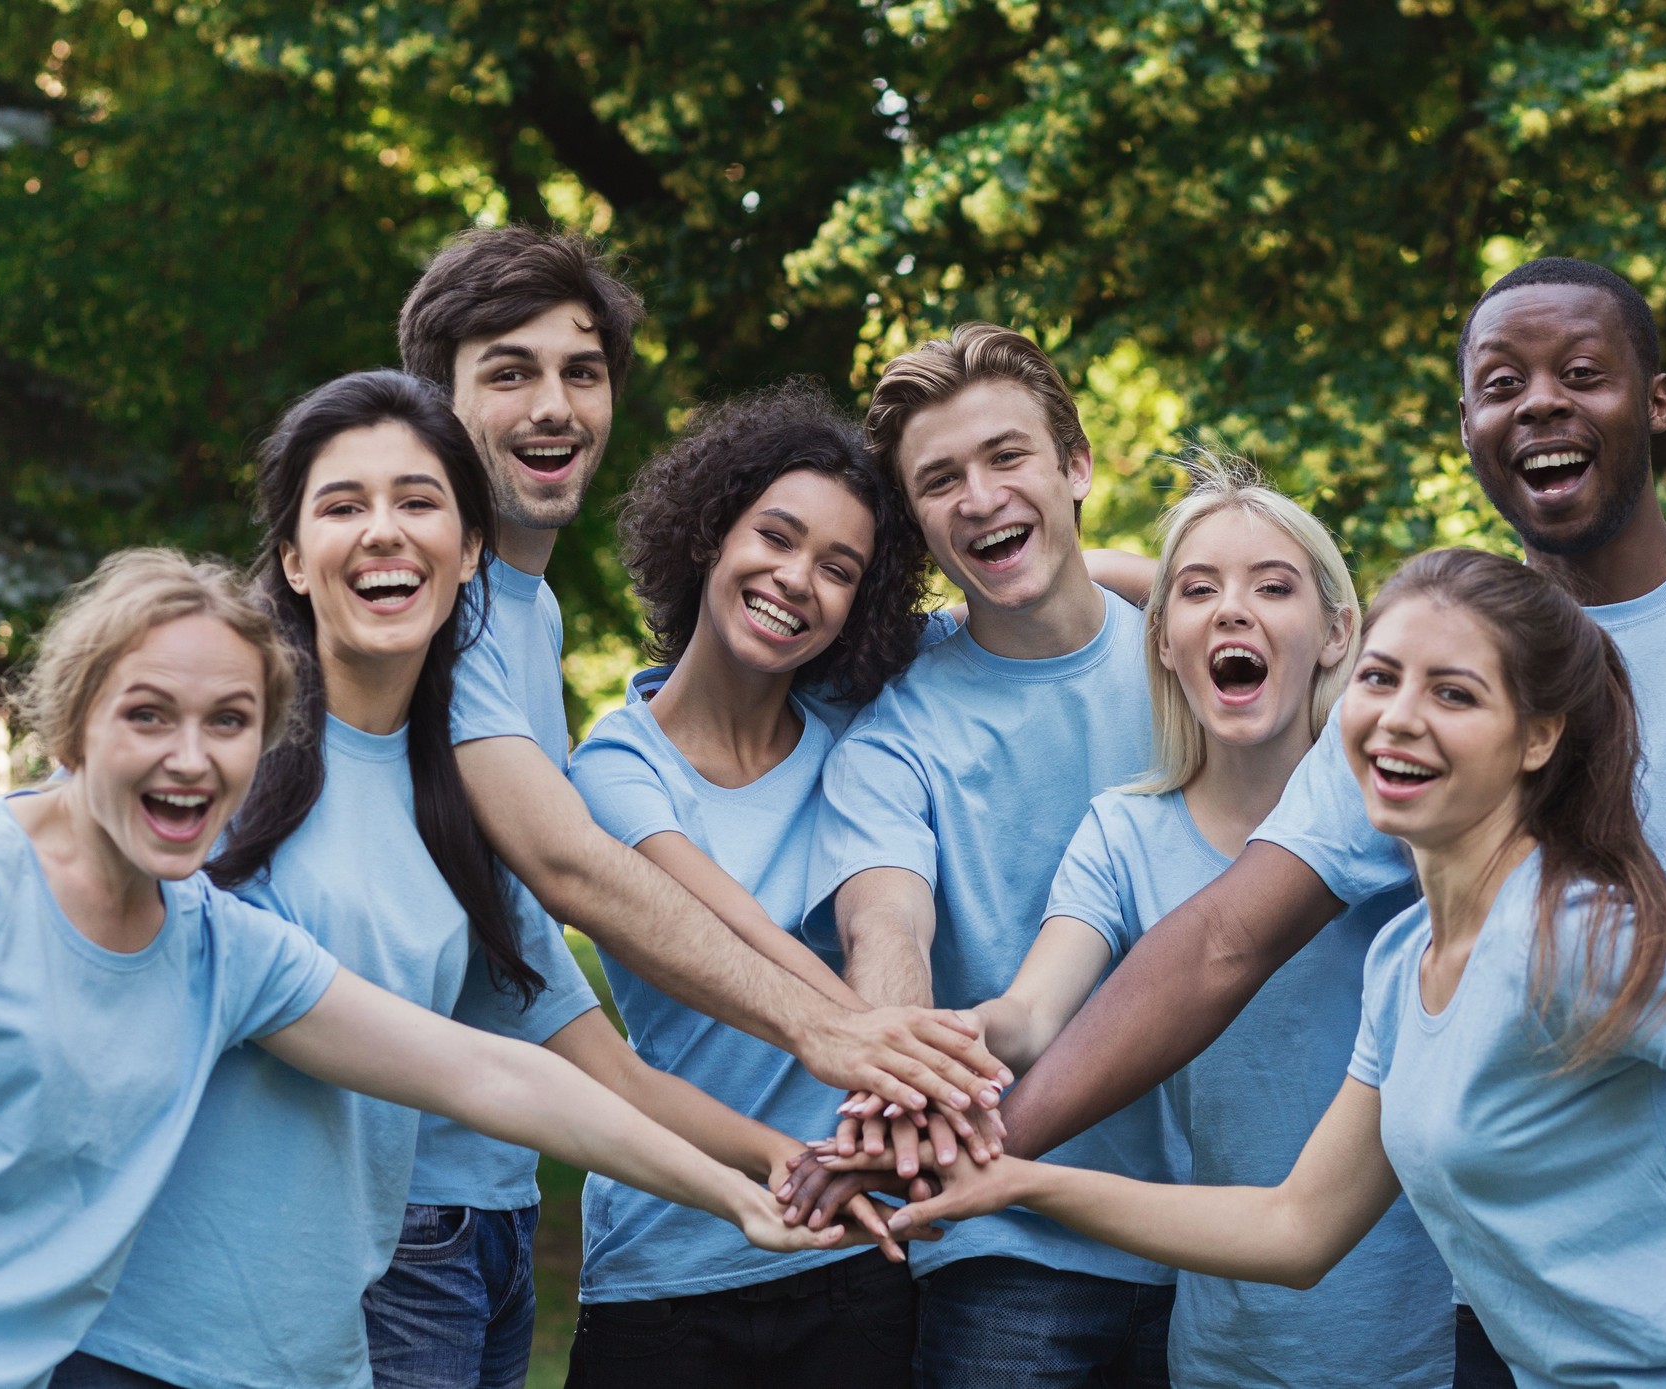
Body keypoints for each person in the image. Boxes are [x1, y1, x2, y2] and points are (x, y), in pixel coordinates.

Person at [990, 258, 1666, 1385]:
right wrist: (995, 1158)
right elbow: (1224, 959)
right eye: (1500, 382)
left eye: (1583, 373)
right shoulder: (1407, 926)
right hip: (1523, 1303)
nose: (1539, 403)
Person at [851, 547, 1666, 1388]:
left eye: (1454, 693)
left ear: (1537, 738)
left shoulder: (1574, 941)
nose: (1400, 718)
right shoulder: (1408, 961)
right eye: (1382, 678)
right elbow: (1295, 1230)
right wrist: (1016, 1181)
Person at [59, 372, 851, 1389]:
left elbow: (585, 1073)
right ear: (295, 560)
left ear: (472, 550)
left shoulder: (470, 802)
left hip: (319, 1353)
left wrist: (776, 1167)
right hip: (141, 1346)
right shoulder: (217, 756)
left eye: (419, 502)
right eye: (344, 507)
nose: (383, 532)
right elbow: (48, 853)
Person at [375, 226, 987, 1380]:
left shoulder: (527, 609)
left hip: (497, 1199)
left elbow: (552, 1003)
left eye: (583, 372)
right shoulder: (438, 609)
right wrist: (847, 1036)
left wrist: (1184, 568)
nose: (554, 406)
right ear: (432, 402)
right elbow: (573, 872)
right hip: (411, 1215)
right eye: (509, 372)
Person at [963, 457, 1450, 1387]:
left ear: (1339, 632)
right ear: (1159, 640)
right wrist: (949, 1043)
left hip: (1422, 1342)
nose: (1234, 610)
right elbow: (1029, 1017)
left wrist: (1128, 569)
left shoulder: (1399, 806)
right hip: (1225, 1349)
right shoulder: (1122, 831)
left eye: (1275, 587)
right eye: (1199, 593)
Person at [804, 323, 1183, 1388]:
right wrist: (906, 1058)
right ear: (916, 524)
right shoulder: (897, 731)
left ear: (1075, 466)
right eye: (939, 480)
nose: (978, 497)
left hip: (1216, 1223)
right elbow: (886, 921)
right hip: (1006, 1244)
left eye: (1006, 457)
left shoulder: (1200, 661)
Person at [561, 381, 954, 1386]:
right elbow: (723, 930)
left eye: (838, 569)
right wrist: (887, 1047)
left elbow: (1056, 595)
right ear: (707, 534)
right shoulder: (613, 765)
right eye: (774, 537)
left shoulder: (864, 741)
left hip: (853, 1252)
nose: (795, 580)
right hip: (664, 1265)